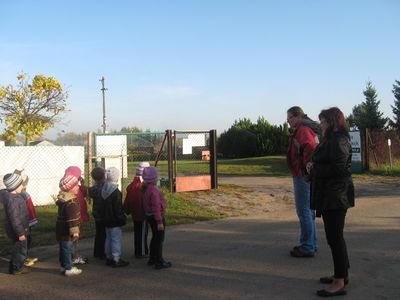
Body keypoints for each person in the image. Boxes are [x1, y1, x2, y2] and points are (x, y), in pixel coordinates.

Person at [307, 107, 354, 297]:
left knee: (335, 238)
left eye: (323, 122)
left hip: (336, 197)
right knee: (334, 237)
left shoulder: (339, 140)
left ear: (333, 122)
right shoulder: (331, 139)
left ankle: (340, 281)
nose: (321, 125)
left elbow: (340, 169)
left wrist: (314, 169)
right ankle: (341, 274)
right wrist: (313, 165)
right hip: (330, 195)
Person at [286, 106, 319, 257]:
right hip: (305, 173)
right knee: (309, 210)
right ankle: (312, 243)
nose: (288, 122)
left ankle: (307, 246)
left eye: (290, 118)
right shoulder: (306, 128)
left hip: (302, 174)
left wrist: (306, 167)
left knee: (303, 210)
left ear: (298, 116)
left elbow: (311, 148)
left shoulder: (303, 129)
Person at [142, 166, 171, 269]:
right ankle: (159, 261)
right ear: (154, 178)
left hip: (150, 217)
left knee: (155, 238)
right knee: (159, 239)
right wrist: (159, 221)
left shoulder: (145, 189)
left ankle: (152, 258)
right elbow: (156, 207)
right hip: (156, 218)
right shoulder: (153, 190)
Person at [56, 172, 83, 276]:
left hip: (61, 229)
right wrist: (75, 231)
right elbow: (71, 219)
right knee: (67, 249)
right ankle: (68, 268)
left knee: (63, 249)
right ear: (70, 188)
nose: (78, 187)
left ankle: (63, 266)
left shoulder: (63, 199)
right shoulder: (71, 202)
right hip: (67, 230)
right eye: (76, 185)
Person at [3, 173, 30, 275]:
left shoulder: (15, 196)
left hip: (16, 229)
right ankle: (17, 268)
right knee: (21, 250)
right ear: (14, 187)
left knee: (16, 248)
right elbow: (15, 219)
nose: (23, 186)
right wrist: (21, 233)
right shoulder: (13, 200)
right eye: (21, 185)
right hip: (18, 231)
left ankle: (13, 266)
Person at [102, 167, 129, 267]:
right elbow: (118, 209)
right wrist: (122, 219)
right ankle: (116, 258)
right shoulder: (116, 192)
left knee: (108, 238)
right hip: (114, 220)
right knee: (116, 239)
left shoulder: (103, 189)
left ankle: (109, 256)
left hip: (106, 219)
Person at [63, 166, 89, 265]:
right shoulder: (72, 191)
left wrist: (82, 184)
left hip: (76, 217)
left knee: (74, 238)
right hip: (74, 218)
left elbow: (85, 192)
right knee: (73, 237)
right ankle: (72, 257)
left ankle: (72, 255)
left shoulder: (73, 187)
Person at [123, 162, 150, 259]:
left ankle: (138, 250)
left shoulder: (132, 185)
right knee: (142, 233)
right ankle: (141, 252)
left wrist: (126, 209)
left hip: (135, 213)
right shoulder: (143, 185)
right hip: (142, 213)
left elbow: (128, 199)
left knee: (137, 232)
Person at [14, 169, 39, 267]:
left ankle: (23, 257)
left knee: (25, 240)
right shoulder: (23, 195)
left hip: (24, 221)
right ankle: (22, 258)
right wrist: (32, 220)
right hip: (24, 222)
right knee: (25, 240)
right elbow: (29, 209)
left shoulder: (19, 194)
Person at [88, 167, 106, 259]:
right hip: (104, 213)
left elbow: (89, 192)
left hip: (96, 212)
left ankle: (97, 252)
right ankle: (102, 253)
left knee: (99, 233)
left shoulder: (93, 189)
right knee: (103, 234)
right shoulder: (105, 187)